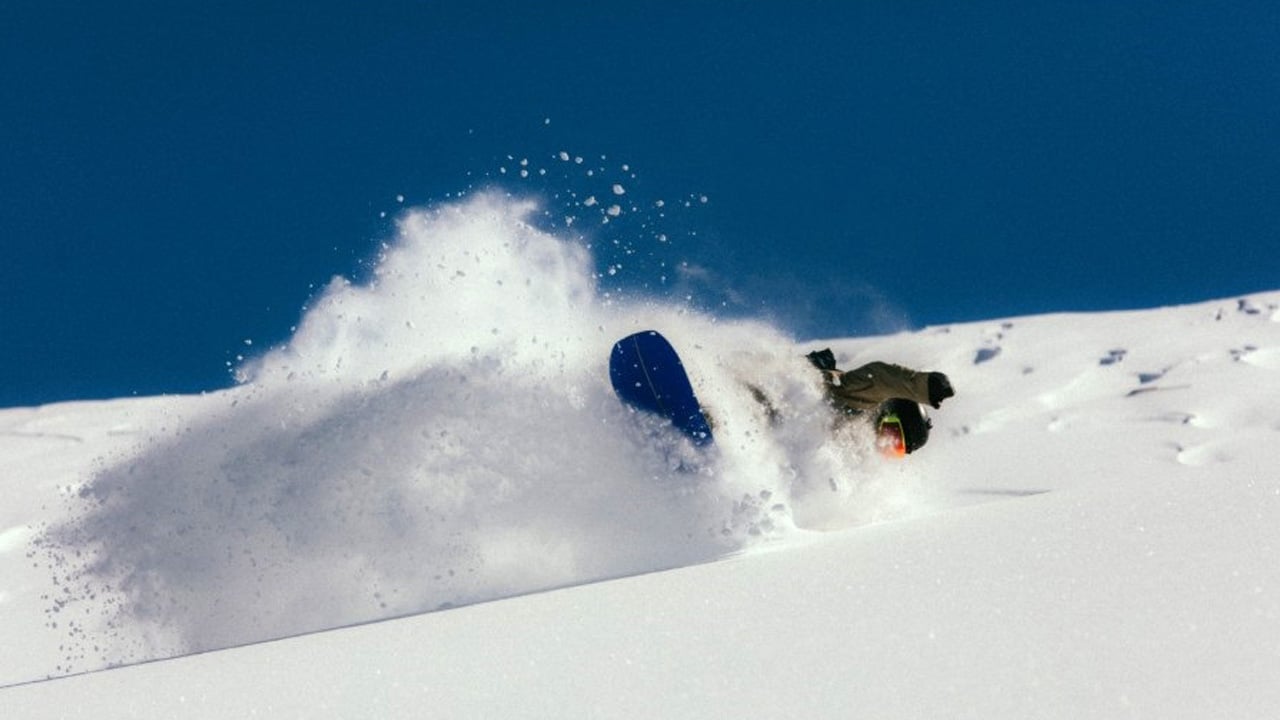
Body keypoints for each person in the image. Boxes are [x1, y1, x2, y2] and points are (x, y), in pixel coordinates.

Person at [804, 348, 954, 456]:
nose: (886, 443)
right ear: (888, 411)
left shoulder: (859, 447)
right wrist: (925, 387)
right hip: (792, 400)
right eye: (892, 433)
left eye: (896, 448)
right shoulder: (860, 402)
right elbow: (879, 378)